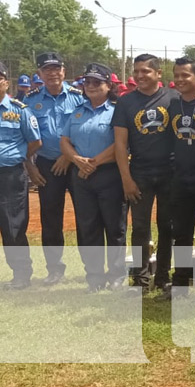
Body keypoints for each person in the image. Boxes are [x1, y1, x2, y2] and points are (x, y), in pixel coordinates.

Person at [60, 63, 127, 293]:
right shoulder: (77, 111)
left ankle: (117, 275)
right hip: (81, 177)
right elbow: (65, 140)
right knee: (88, 228)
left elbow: (121, 145)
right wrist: (77, 160)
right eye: (87, 82)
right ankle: (94, 277)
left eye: (97, 82)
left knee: (114, 227)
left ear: (109, 85)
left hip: (109, 175)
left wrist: (93, 163)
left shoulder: (118, 110)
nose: (90, 86)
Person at [112, 53, 176, 291]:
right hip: (139, 172)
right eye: (136, 71)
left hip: (170, 172)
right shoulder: (126, 102)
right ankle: (140, 278)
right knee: (139, 227)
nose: (140, 76)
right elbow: (120, 144)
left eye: (145, 71)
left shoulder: (173, 98)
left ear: (158, 73)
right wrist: (126, 178)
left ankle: (163, 276)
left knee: (167, 226)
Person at [0, 61, 41, 291]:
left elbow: (35, 141)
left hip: (10, 177)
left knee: (13, 228)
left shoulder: (19, 110)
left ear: (6, 82)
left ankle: (21, 275)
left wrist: (15, 156)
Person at [24, 52, 86, 286]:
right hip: (47, 165)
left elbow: (84, 130)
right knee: (50, 218)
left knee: (85, 215)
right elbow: (23, 138)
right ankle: (54, 269)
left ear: (64, 71)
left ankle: (91, 269)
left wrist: (69, 157)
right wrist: (30, 167)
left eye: (56, 68)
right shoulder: (30, 101)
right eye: (46, 69)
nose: (52, 73)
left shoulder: (79, 97)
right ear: (39, 74)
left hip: (77, 162)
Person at [156, 57, 195, 301]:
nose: (180, 79)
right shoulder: (172, 104)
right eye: (176, 75)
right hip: (179, 179)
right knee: (181, 234)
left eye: (185, 75)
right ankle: (180, 283)